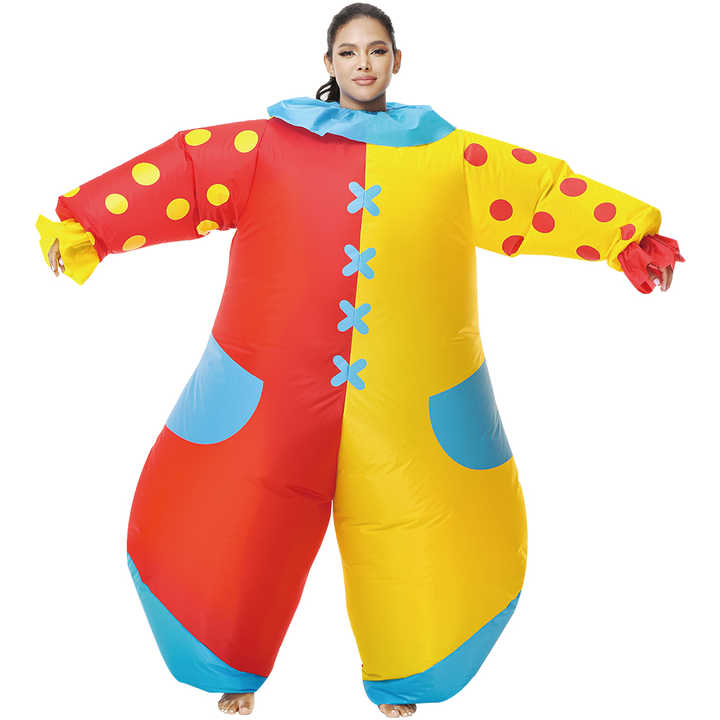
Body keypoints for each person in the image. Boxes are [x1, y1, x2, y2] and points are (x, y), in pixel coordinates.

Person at [36, 3, 683, 718]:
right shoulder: (266, 147)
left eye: (377, 51)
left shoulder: (452, 158)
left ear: (397, 61)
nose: (364, 64)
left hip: (412, 401)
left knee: (426, 519)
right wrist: (87, 224)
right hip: (267, 391)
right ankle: (229, 669)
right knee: (235, 514)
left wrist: (629, 237)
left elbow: (540, 196)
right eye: (349, 52)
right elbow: (184, 174)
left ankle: (408, 677)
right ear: (329, 63)